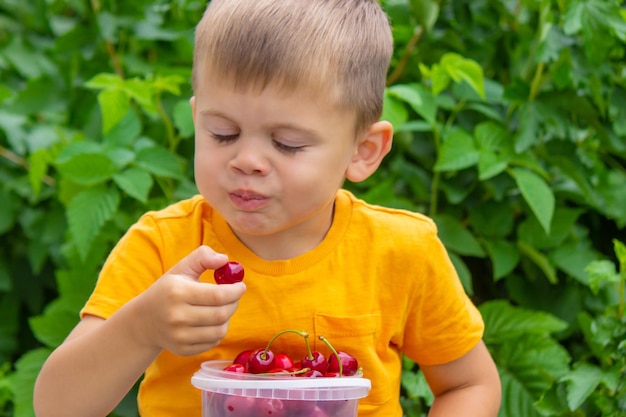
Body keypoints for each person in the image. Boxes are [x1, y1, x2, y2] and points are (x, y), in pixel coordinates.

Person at [33, 0, 501, 416]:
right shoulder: (163, 248)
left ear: (363, 150)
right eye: (222, 133)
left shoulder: (402, 253)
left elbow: (470, 382)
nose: (248, 161)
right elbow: (57, 406)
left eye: (287, 143)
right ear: (196, 119)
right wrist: (141, 328)